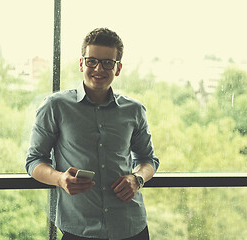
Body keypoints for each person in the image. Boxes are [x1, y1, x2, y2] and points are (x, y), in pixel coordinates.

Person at [25, 27, 159, 240]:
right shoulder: (55, 106)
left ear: (118, 68)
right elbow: (33, 161)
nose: (99, 68)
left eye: (108, 62)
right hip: (79, 229)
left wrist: (137, 179)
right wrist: (60, 179)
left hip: (130, 226)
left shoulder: (134, 110)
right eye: (91, 61)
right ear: (81, 63)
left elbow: (148, 160)